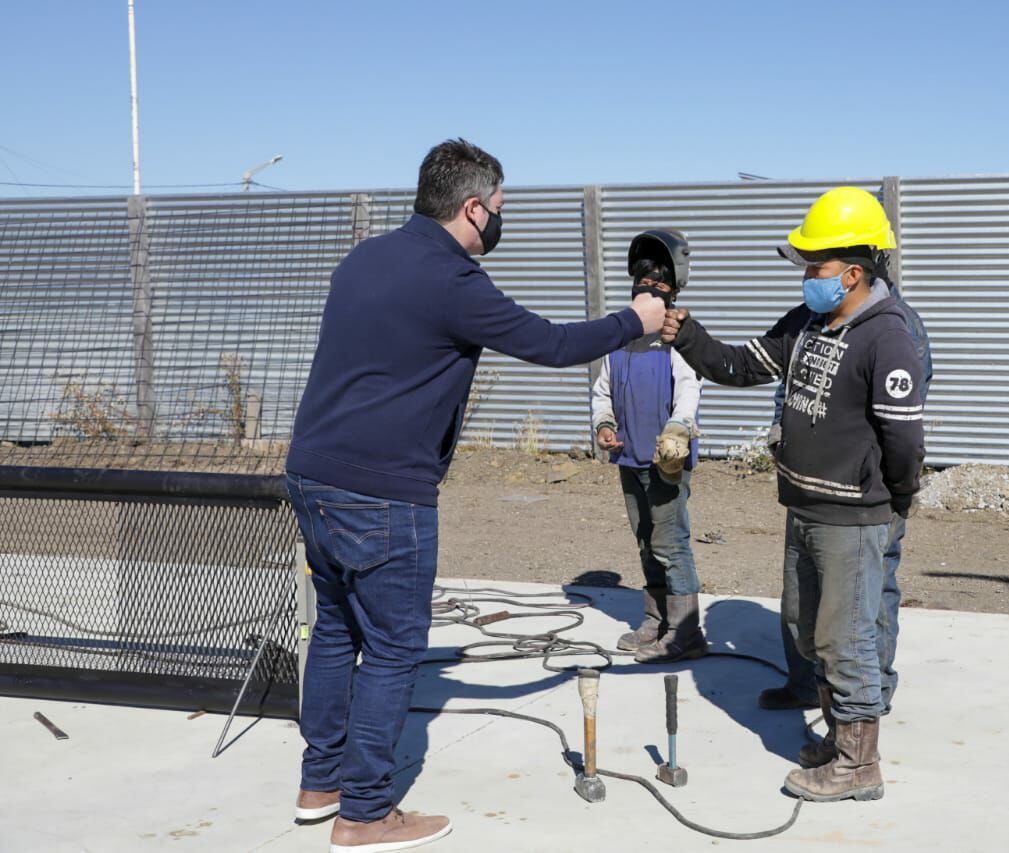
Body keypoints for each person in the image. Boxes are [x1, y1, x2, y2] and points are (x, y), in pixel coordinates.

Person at [284, 138, 666, 852]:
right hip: (383, 492)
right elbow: (551, 344)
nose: (500, 220)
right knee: (395, 647)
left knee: (336, 630)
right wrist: (634, 321)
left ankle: (320, 784)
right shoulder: (452, 279)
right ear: (471, 207)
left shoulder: (365, 257)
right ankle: (364, 811)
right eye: (499, 209)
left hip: (313, 475)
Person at [660, 187, 925, 803]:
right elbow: (740, 364)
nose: (807, 276)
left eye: (817, 265)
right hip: (803, 508)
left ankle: (859, 766)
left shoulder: (889, 337)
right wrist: (686, 333)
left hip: (853, 518)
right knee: (809, 632)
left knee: (848, 640)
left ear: (854, 271)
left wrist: (889, 501)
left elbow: (905, 441)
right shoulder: (807, 323)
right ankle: (838, 742)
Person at [759, 273, 932, 714]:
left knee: (868, 596)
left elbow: (900, 424)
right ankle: (806, 685)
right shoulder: (820, 319)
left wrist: (897, 490)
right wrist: (785, 433)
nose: (808, 278)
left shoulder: (896, 328)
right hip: (815, 489)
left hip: (866, 492)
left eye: (821, 266)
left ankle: (870, 696)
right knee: (805, 598)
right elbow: (794, 380)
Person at [591, 230, 706, 663]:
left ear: (673, 291)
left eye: (660, 285)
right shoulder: (620, 337)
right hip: (629, 456)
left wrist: (678, 428)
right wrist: (603, 424)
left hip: (666, 462)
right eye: (644, 283)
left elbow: (690, 390)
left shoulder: (677, 340)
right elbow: (602, 391)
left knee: (670, 541)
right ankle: (655, 620)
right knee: (645, 539)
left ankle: (685, 631)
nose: (651, 291)